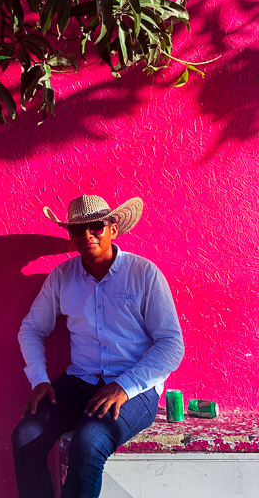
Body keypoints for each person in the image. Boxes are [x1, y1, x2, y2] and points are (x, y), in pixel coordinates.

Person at [12, 194, 184, 498]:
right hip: (80, 381)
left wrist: (124, 386)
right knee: (25, 437)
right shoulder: (62, 278)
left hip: (134, 389)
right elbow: (32, 328)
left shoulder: (143, 274)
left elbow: (171, 344)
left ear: (113, 229)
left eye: (95, 227)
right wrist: (39, 379)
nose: (87, 235)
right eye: (78, 230)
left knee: (89, 444)